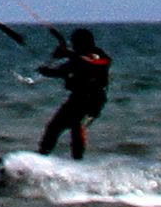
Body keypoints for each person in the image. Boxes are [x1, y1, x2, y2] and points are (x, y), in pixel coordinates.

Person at [34, 26, 112, 158]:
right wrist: (45, 71)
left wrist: (68, 53)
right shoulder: (76, 59)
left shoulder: (99, 56)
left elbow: (95, 62)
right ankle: (41, 157)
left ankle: (77, 162)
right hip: (77, 99)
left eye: (75, 43)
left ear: (85, 43)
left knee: (78, 127)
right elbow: (61, 71)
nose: (73, 45)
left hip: (93, 102)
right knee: (54, 126)